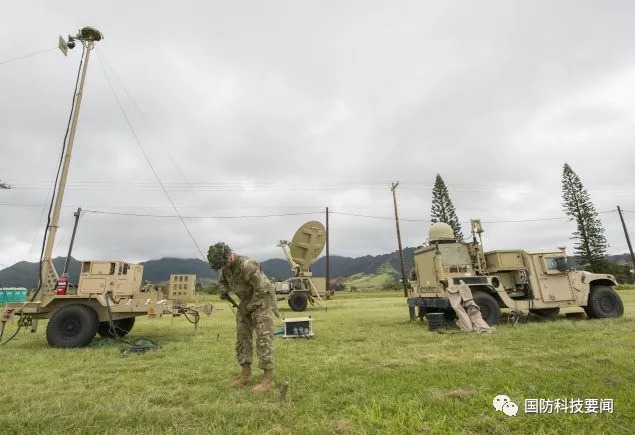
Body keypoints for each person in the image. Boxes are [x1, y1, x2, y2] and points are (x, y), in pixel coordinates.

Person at [207, 242, 278, 393]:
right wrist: (223, 290)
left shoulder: (248, 265)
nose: (224, 266)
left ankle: (268, 379)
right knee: (242, 337)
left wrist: (251, 307)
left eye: (224, 262)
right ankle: (246, 374)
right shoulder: (225, 268)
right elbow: (222, 282)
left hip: (261, 301)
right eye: (221, 265)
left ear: (230, 254)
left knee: (264, 338)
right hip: (245, 303)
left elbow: (263, 289)